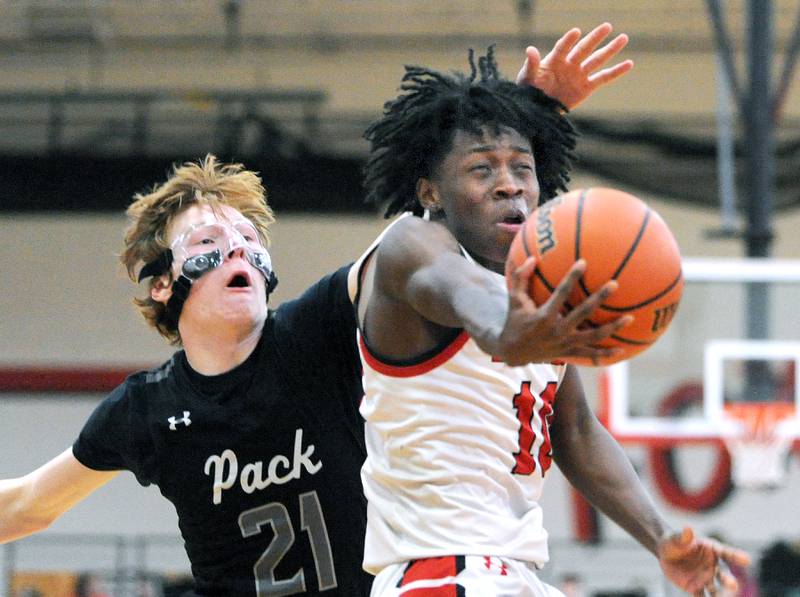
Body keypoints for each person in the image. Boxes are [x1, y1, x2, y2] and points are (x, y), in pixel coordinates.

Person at [0, 24, 633, 596]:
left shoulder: (316, 330)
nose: (238, 249)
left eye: (250, 239)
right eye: (209, 243)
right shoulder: (145, 410)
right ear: (163, 286)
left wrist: (516, 115)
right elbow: (29, 504)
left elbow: (428, 234)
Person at [351, 46, 752, 596]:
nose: (509, 184)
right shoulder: (414, 247)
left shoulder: (541, 293)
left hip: (511, 576)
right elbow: (473, 303)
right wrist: (507, 331)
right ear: (430, 192)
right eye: (481, 168)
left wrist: (661, 538)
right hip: (440, 572)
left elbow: (579, 434)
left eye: (522, 167)